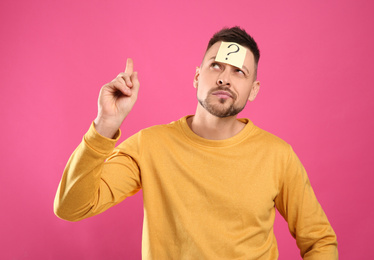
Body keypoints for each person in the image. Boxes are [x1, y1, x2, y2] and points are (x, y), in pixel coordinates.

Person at [54, 26, 338, 259]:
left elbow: (319, 242)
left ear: (253, 91)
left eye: (239, 72)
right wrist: (104, 125)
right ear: (197, 76)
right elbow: (71, 207)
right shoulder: (149, 145)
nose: (225, 79)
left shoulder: (278, 155)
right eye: (216, 66)